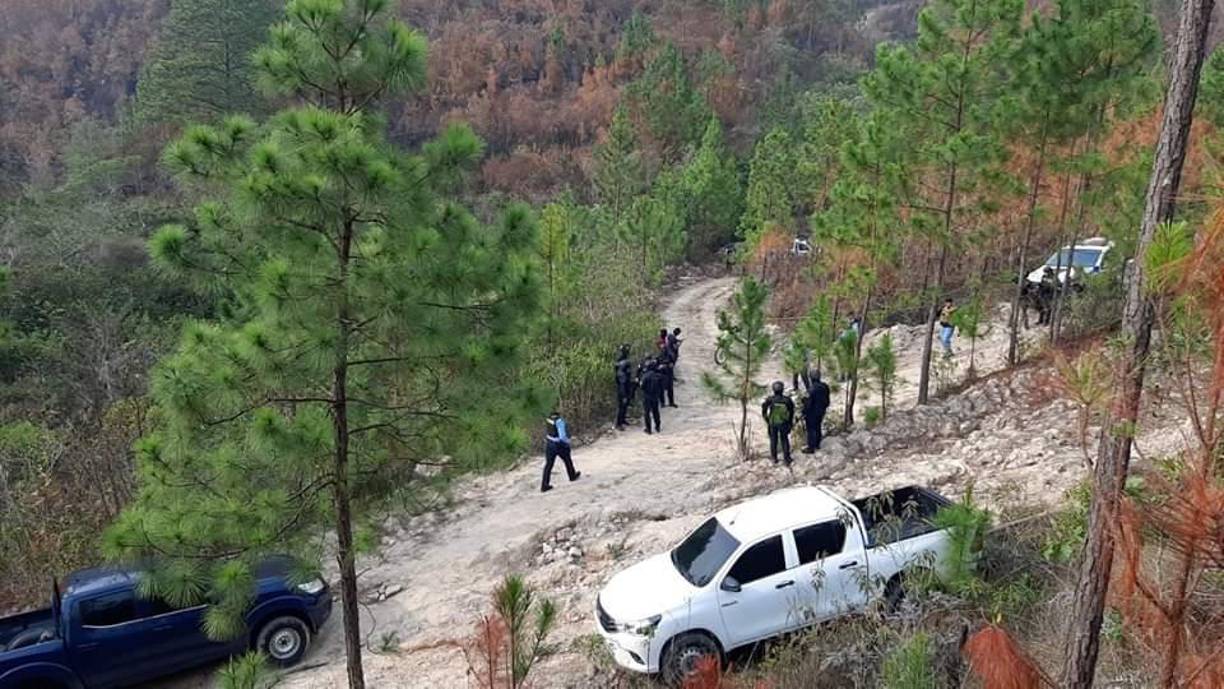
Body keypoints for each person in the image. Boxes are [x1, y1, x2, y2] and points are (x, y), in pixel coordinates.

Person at [541, 411, 580, 492]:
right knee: (567, 460)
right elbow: (562, 436)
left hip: (549, 443)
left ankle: (544, 485)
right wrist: (568, 441)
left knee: (548, 465)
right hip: (559, 444)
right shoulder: (559, 421)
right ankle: (572, 476)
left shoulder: (548, 419)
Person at [761, 381, 795, 466]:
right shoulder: (787, 400)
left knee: (773, 440)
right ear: (782, 390)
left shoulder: (770, 399)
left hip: (773, 422)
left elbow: (764, 409)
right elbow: (791, 412)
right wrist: (790, 423)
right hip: (784, 422)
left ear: (773, 390)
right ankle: (787, 458)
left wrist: (767, 420)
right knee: (784, 440)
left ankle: (774, 458)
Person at [802, 370, 830, 453]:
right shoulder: (825, 386)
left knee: (811, 430)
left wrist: (804, 410)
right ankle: (817, 444)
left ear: (811, 378)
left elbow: (808, 403)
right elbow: (827, 399)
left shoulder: (811, 389)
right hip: (821, 410)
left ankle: (811, 447)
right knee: (818, 427)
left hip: (812, 412)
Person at [640, 359, 664, 434]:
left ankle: (648, 429)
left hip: (647, 396)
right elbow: (661, 386)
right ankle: (657, 426)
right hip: (655, 396)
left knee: (647, 413)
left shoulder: (645, 376)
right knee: (655, 412)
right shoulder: (657, 376)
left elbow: (642, 386)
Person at [614, 344, 634, 431]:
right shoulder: (622, 373)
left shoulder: (621, 362)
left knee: (625, 406)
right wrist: (624, 395)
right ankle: (618, 423)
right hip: (622, 390)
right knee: (622, 406)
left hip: (626, 387)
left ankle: (623, 420)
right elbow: (622, 384)